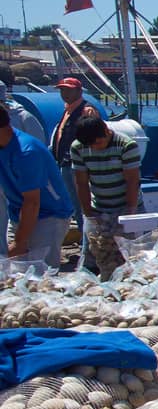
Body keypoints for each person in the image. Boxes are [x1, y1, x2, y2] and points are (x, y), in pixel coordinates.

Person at [0, 107, 74, 268]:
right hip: (18, 213)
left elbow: (32, 201)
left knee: (42, 279)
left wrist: (20, 241)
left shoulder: (26, 152)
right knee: (13, 278)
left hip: (49, 215)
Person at [51, 77, 100, 243]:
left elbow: (94, 138)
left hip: (77, 166)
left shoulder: (86, 111)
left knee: (83, 208)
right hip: (65, 165)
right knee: (74, 206)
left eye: (69, 89)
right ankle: (85, 244)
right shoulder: (68, 110)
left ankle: (89, 246)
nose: (65, 93)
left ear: (79, 91)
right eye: (62, 90)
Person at [70, 117, 142, 220]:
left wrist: (129, 214)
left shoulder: (127, 146)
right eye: (90, 145)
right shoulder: (77, 147)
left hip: (128, 206)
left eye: (98, 143)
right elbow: (81, 183)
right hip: (98, 208)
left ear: (106, 130)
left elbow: (132, 181)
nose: (94, 148)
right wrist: (88, 215)